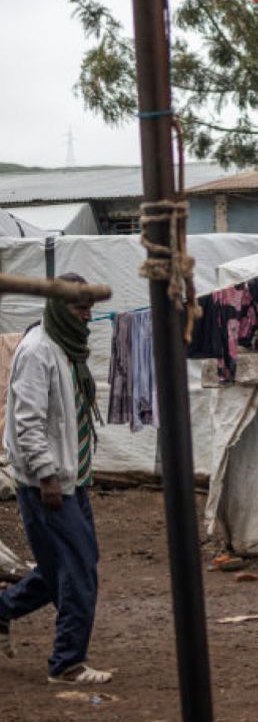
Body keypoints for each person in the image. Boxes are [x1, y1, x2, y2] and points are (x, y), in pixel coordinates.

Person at [0, 274, 112, 685]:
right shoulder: (37, 352)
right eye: (78, 307)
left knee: (56, 569)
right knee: (79, 568)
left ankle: (2, 610)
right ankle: (67, 663)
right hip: (49, 484)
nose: (86, 314)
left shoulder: (67, 348)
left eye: (87, 307)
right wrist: (47, 477)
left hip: (71, 478)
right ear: (56, 307)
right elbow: (27, 423)